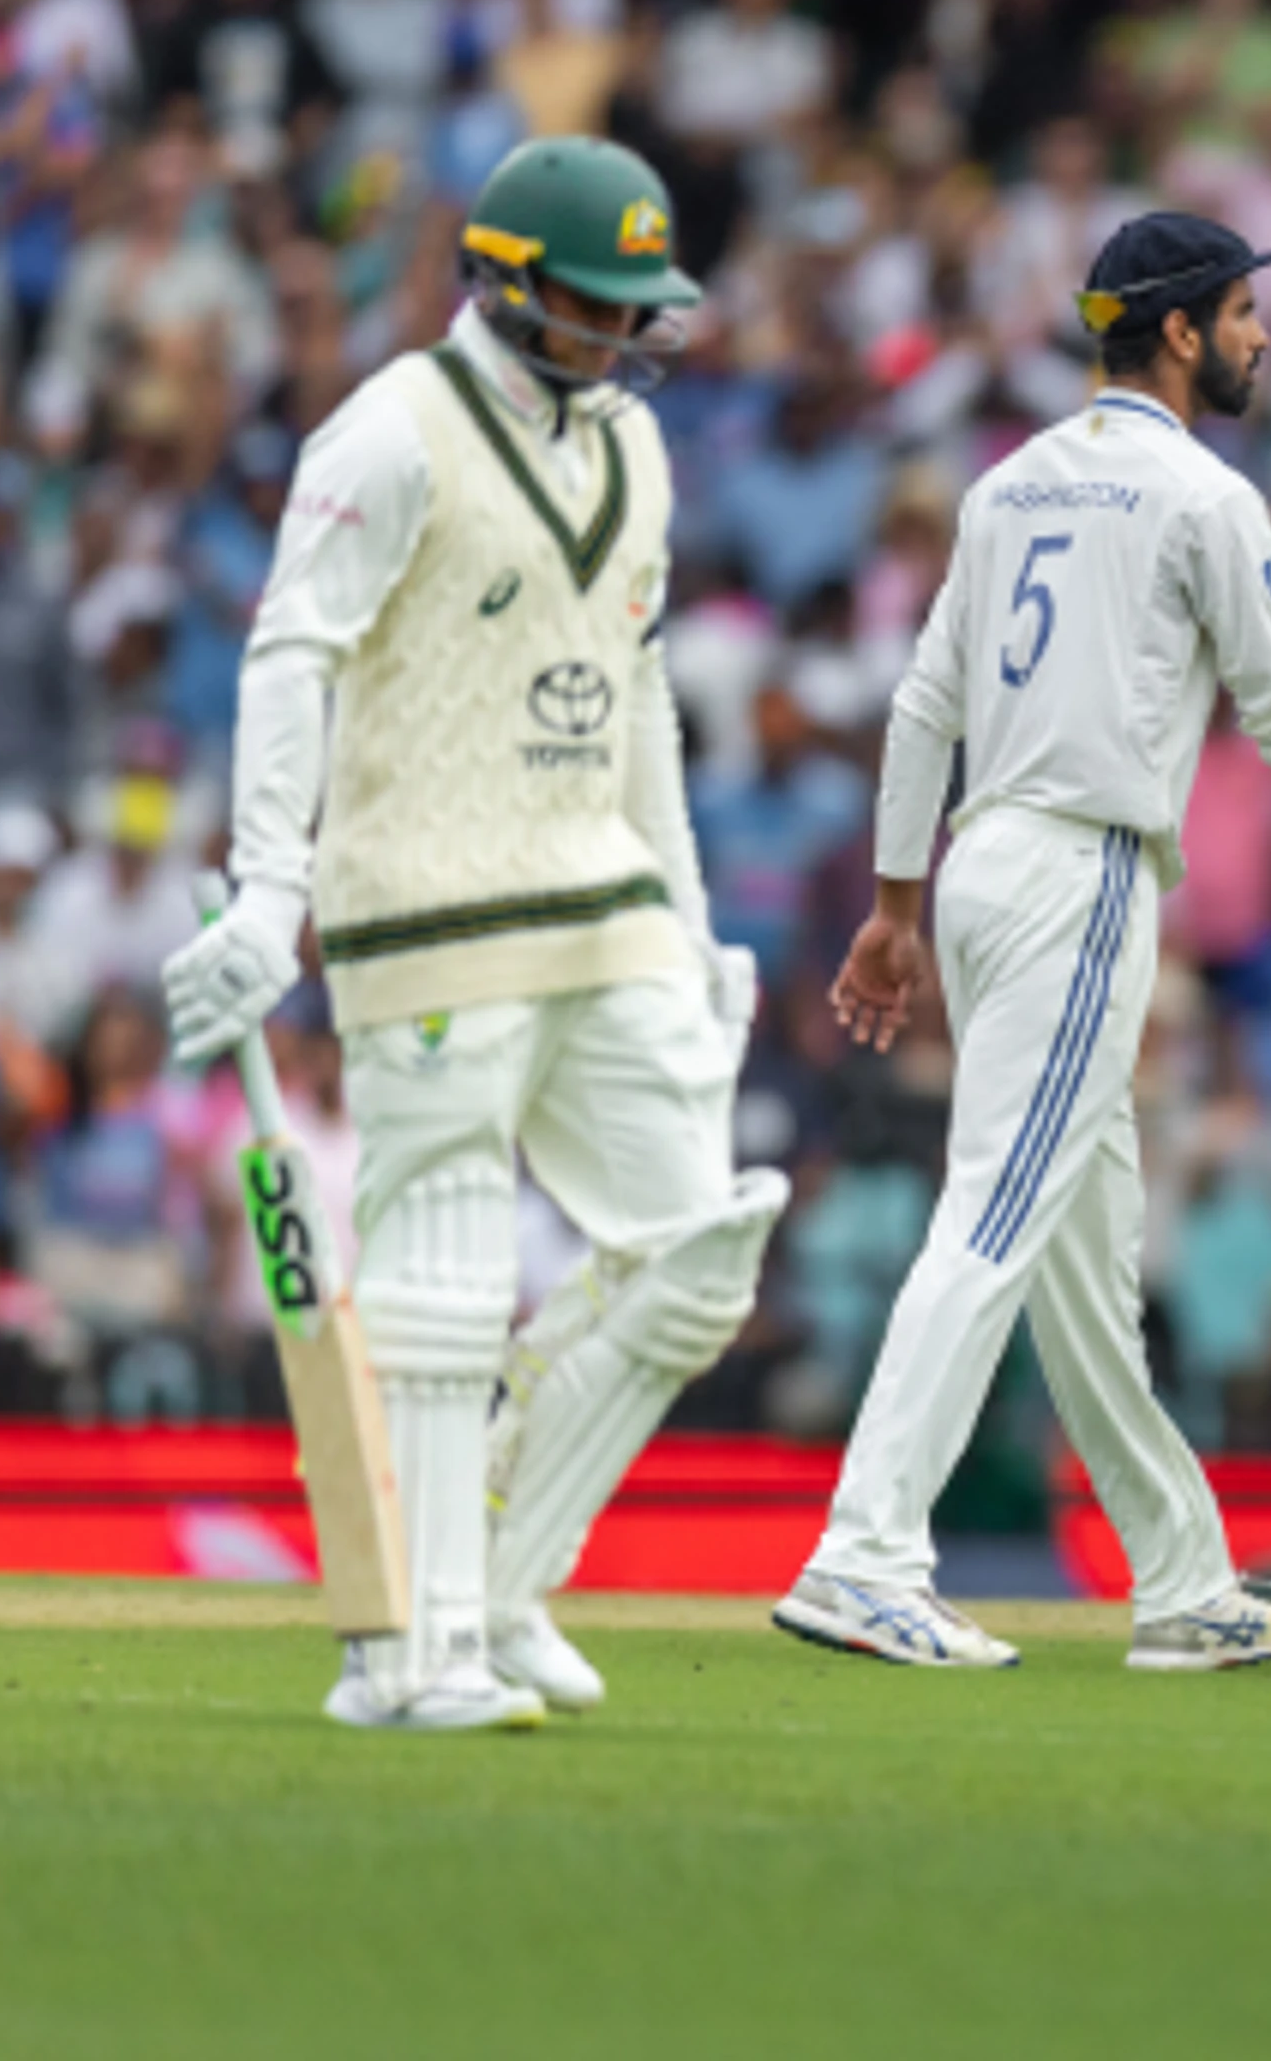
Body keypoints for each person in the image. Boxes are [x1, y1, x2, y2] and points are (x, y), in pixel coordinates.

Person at [159, 137, 777, 1733]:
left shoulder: (637, 453)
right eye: (592, 300)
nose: (621, 333)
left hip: (608, 899)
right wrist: (267, 894)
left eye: (639, 305)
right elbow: (291, 652)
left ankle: (501, 1585)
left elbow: (638, 693)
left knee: (698, 1252)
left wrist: (697, 929)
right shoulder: (392, 429)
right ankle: (410, 1653)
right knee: (446, 1277)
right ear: (503, 280)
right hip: (428, 909)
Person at [779, 215, 1271, 1676]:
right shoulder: (1206, 498)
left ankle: (1182, 1578)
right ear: (1184, 332)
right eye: (1242, 313)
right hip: (1080, 874)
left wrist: (896, 908)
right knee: (1002, 1209)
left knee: (1083, 1252)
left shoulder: (1007, 485)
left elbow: (919, 712)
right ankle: (864, 1551)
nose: (1262, 336)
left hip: (980, 865)